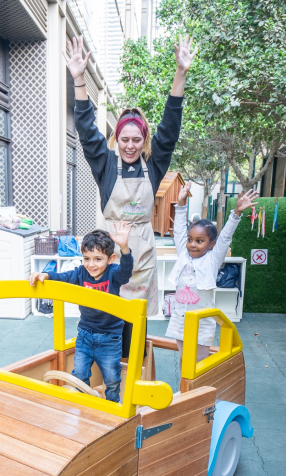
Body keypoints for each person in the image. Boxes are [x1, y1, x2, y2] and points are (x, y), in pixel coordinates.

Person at [66, 34, 194, 353]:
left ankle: (132, 370)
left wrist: (181, 75)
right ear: (117, 138)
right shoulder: (105, 164)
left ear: (144, 141)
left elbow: (169, 130)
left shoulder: (154, 165)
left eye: (137, 139)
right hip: (110, 251)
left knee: (135, 322)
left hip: (142, 254)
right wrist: (79, 78)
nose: (130, 145)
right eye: (124, 138)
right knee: (107, 316)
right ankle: (111, 374)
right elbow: (85, 129)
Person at [29, 222, 133, 402]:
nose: (91, 264)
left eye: (98, 259)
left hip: (110, 337)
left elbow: (126, 271)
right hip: (85, 334)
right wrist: (46, 274)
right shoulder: (80, 274)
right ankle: (83, 406)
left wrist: (125, 248)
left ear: (110, 258)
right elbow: (64, 278)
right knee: (79, 375)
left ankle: (112, 406)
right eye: (86, 258)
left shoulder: (114, 274)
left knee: (112, 378)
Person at [167, 184, 258, 371]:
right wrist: (181, 202)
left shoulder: (212, 260)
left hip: (201, 321)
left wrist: (236, 213)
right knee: (184, 359)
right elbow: (178, 231)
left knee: (199, 363)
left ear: (211, 244)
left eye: (199, 241)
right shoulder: (183, 254)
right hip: (180, 318)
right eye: (190, 239)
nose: (192, 244)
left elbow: (225, 237)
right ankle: (186, 395)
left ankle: (198, 395)